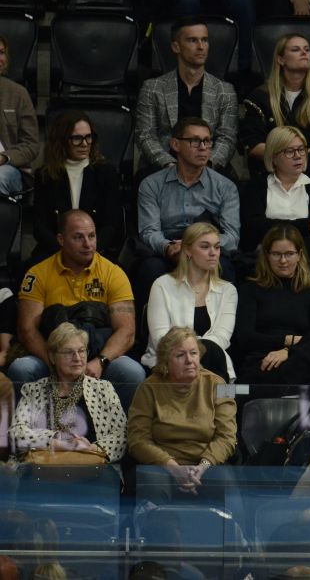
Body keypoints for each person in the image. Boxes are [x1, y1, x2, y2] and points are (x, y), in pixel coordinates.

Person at [13, 211, 144, 410]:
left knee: (132, 372)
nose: (88, 244)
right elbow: (27, 330)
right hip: (52, 357)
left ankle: (120, 430)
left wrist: (100, 361)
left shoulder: (114, 273)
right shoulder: (37, 274)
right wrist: (54, 363)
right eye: (78, 237)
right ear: (61, 239)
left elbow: (127, 331)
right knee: (21, 369)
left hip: (98, 357)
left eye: (92, 236)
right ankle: (31, 428)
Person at [128, 327, 237, 503]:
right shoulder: (147, 387)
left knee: (227, 486)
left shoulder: (221, 384)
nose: (189, 360)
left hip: (208, 465)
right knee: (150, 482)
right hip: (162, 466)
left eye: (193, 353)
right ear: (165, 362)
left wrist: (202, 467)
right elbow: (137, 439)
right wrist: (173, 468)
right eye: (180, 355)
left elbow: (227, 436)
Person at [136, 117, 240, 301]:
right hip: (168, 249)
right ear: (175, 144)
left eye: (207, 141)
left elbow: (232, 236)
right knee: (149, 269)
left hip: (208, 250)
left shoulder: (225, 187)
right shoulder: (151, 184)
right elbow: (149, 231)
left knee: (224, 267)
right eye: (195, 141)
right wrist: (168, 248)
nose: (203, 147)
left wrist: (200, 247)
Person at [12, 323, 126, 464]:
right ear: (52, 357)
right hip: (44, 468)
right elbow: (16, 433)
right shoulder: (34, 390)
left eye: (81, 351)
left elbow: (122, 434)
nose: (77, 358)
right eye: (68, 352)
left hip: (92, 467)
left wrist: (92, 449)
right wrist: (58, 442)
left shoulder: (103, 389)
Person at [135, 17, 238, 172]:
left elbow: (227, 138)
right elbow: (145, 136)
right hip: (163, 167)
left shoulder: (225, 91)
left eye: (204, 40)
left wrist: (207, 165)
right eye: (192, 40)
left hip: (209, 167)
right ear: (176, 46)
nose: (201, 47)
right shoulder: (152, 88)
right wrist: (170, 165)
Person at [234, 225, 310, 385]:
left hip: (301, 359)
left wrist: (287, 351)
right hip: (264, 361)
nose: (283, 260)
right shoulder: (249, 290)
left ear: (299, 255)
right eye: (276, 254)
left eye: (289, 254)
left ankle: (283, 386)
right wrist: (289, 340)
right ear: (267, 255)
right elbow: (246, 338)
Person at [239, 34, 310, 177]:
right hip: (269, 174)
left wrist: (297, 160)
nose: (304, 53)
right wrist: (286, 161)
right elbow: (253, 143)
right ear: (281, 59)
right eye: (295, 49)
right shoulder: (259, 97)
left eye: (307, 49)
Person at [145, 222, 236, 383]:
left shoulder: (228, 290)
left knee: (213, 351)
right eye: (205, 247)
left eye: (217, 247)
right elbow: (161, 339)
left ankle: (224, 398)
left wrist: (195, 351)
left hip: (213, 364)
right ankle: (220, 397)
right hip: (170, 365)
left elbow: (222, 338)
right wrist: (190, 353)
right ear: (187, 250)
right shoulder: (162, 285)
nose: (213, 253)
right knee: (204, 352)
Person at [31, 110, 122, 260]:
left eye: (88, 137)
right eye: (77, 138)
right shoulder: (45, 175)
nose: (85, 144)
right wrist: (65, 252)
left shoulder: (106, 173)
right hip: (54, 251)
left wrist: (88, 249)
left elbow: (111, 224)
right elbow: (39, 226)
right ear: (61, 141)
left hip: (96, 251)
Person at [240, 126, 310, 262]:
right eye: (289, 151)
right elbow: (253, 229)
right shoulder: (256, 187)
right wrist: (306, 226)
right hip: (265, 259)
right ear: (274, 157)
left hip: (306, 259)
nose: (298, 156)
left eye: (301, 149)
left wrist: (292, 255)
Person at [0, 38, 40, 198]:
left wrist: (4, 157)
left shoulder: (18, 94)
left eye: (1, 52)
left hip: (9, 168)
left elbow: (31, 145)